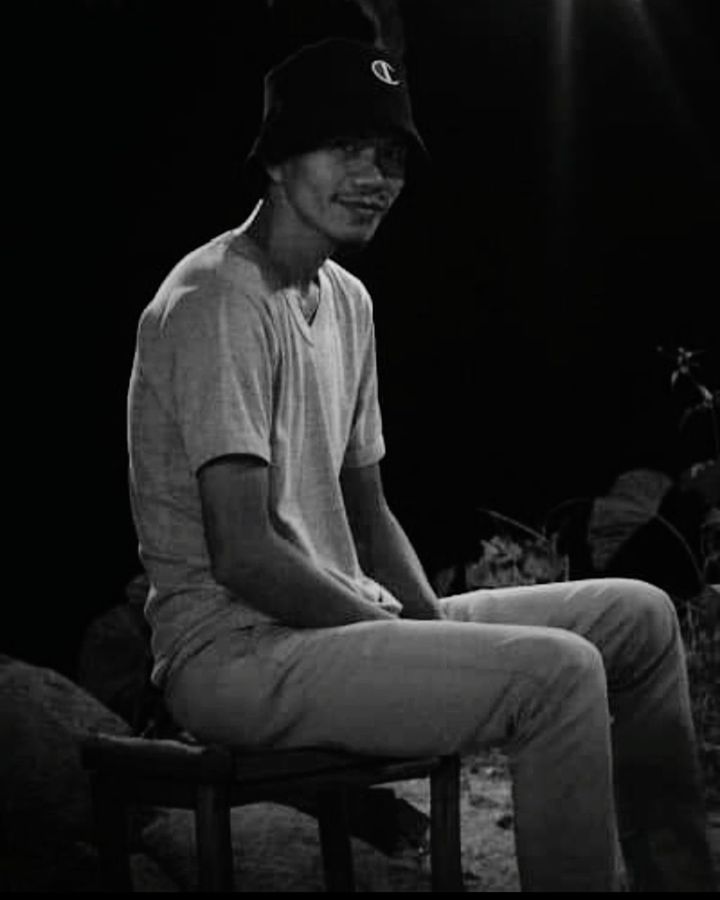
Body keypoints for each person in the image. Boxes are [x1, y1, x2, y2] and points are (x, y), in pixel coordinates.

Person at [127, 38, 717, 891]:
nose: (376, 175)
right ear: (280, 156)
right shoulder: (216, 298)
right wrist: (397, 637)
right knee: (558, 673)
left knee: (640, 616)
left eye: (392, 154)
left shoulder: (348, 300)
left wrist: (428, 627)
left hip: (336, 627)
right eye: (349, 147)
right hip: (235, 657)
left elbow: (367, 511)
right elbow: (243, 553)